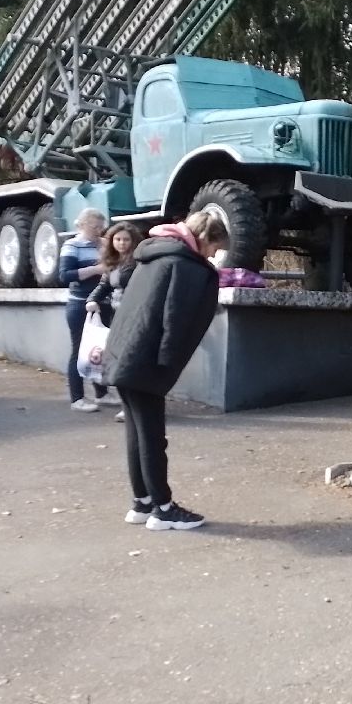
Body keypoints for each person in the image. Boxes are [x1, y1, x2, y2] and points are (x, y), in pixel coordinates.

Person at [102, 212, 228, 531]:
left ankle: (142, 503)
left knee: (137, 432)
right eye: (214, 246)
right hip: (147, 359)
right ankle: (164, 509)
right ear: (203, 238)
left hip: (122, 354)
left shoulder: (151, 256)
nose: (214, 254)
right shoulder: (186, 266)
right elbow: (176, 318)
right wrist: (167, 364)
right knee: (153, 436)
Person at [86, 224, 146, 424]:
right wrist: (92, 300)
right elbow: (103, 284)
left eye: (126, 239)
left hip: (134, 318)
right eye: (118, 239)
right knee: (117, 363)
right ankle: (126, 405)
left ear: (133, 241)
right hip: (116, 317)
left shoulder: (140, 261)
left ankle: (131, 407)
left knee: (129, 363)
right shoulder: (113, 261)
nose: (122, 243)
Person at [60, 209, 117, 412]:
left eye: (101, 227)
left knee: (100, 349)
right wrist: (96, 269)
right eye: (95, 227)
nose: (99, 231)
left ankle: (101, 393)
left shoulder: (104, 245)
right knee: (79, 350)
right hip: (79, 304)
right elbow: (65, 275)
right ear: (82, 225)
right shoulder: (71, 245)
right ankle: (77, 398)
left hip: (103, 304)